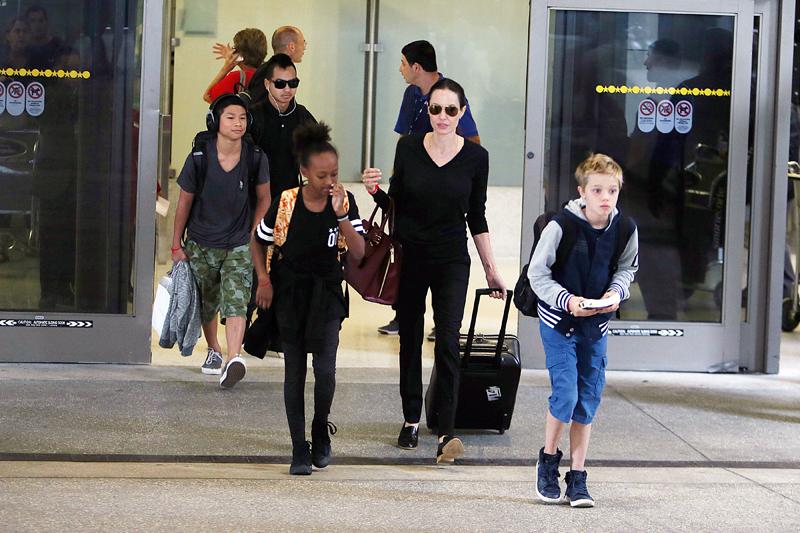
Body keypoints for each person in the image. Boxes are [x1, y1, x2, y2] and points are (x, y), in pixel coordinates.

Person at [362, 78, 506, 464]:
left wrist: (491, 269)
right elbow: (396, 202)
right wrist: (375, 193)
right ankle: (411, 419)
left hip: (451, 259)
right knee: (409, 337)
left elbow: (476, 216)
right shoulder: (408, 147)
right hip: (410, 255)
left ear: (463, 111)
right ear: (427, 110)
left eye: (451, 110)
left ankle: (446, 430)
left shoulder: (477, 158)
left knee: (447, 340)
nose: (442, 117)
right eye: (436, 109)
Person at [251, 122, 365, 475]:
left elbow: (359, 253)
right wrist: (264, 280)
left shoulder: (343, 201)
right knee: (295, 372)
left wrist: (342, 214)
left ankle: (320, 428)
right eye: (321, 175)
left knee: (326, 371)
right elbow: (258, 240)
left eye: (333, 173)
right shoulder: (286, 201)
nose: (329, 181)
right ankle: (299, 447)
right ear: (304, 172)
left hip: (327, 293)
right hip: (290, 292)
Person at [528, 153, 638, 507]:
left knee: (588, 399)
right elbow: (537, 273)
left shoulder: (624, 228)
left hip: (596, 323)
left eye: (612, 190)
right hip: (560, 322)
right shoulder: (562, 226)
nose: (605, 198)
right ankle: (548, 461)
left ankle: (577, 476)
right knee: (566, 395)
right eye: (597, 190)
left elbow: (626, 268)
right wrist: (565, 300)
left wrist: (615, 293)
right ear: (582, 192)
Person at [377, 40, 481, 337]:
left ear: (416, 67)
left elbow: (473, 140)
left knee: (442, 260)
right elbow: (404, 137)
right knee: (403, 250)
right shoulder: (411, 94)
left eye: (402, 63)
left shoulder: (448, 94)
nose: (400, 69)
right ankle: (403, 314)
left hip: (441, 192)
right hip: (412, 187)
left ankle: (443, 321)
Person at [171, 93, 271, 385]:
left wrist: (254, 233)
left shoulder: (255, 157)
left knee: (237, 301)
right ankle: (214, 349)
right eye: (230, 117)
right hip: (201, 241)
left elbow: (265, 198)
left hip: (239, 243)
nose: (238, 124)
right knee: (208, 302)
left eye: (242, 118)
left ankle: (233, 358)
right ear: (215, 122)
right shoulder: (200, 157)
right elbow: (183, 203)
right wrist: (176, 244)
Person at [250, 53, 316, 200]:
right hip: (255, 198)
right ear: (267, 84)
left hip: (289, 198)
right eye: (280, 84)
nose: (287, 90)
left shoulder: (302, 115)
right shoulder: (253, 115)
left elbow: (320, 151)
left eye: (293, 83)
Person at [202, 28, 268, 104]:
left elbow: (208, 96)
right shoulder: (270, 74)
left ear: (239, 54)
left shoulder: (237, 77)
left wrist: (226, 68)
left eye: (234, 48)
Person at [25, 4, 62, 69]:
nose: (37, 25)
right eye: (32, 21)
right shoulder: (24, 47)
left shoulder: (58, 45)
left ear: (47, 22)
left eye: (41, 21)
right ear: (27, 23)